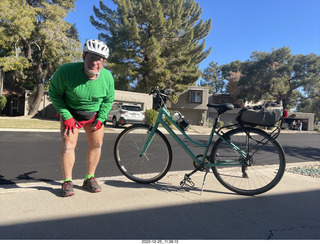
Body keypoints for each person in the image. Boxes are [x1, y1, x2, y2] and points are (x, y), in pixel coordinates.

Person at [49, 39, 115, 197]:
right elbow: (55, 94)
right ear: (84, 56)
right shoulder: (66, 71)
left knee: (97, 144)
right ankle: (67, 181)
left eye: (99, 59)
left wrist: (101, 117)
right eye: (91, 57)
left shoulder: (107, 78)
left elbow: (108, 100)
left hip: (94, 115)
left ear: (103, 62)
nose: (94, 62)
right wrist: (66, 116)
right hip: (71, 113)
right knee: (68, 146)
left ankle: (89, 178)